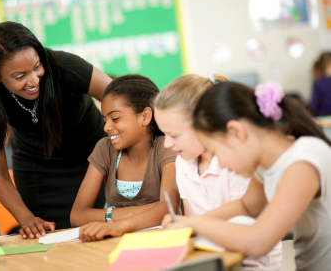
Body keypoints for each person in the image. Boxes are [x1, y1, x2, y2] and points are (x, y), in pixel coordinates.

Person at [162, 81, 331, 271]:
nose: (221, 163)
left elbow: (258, 241)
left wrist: (195, 224)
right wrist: (191, 223)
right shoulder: (267, 165)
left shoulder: (302, 163)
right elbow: (247, 207)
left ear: (236, 132)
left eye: (214, 151)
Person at [0, 21, 112, 238]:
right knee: (46, 237)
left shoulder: (65, 67)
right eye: (20, 76)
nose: (34, 80)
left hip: (91, 155)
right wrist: (25, 218)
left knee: (88, 232)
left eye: (37, 67)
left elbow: (124, 100)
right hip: (35, 162)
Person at [154, 74, 282, 271]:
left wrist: (193, 224)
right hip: (211, 257)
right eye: (163, 133)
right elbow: (192, 221)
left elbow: (247, 217)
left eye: (174, 135)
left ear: (205, 123)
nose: (167, 143)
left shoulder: (238, 160)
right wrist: (188, 226)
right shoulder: (183, 163)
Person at [71, 75, 178, 241]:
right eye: (105, 120)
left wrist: (115, 223)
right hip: (115, 243)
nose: (106, 127)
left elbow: (168, 208)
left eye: (115, 118)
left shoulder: (166, 146)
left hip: (162, 241)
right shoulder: (104, 148)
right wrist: (150, 211)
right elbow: (77, 216)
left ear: (145, 116)